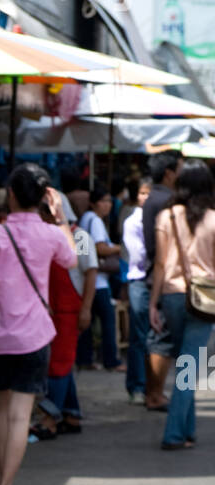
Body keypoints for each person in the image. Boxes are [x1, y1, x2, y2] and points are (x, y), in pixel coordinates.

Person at [0, 164, 77, 485]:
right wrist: (60, 217)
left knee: (1, 410)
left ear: (11, 195)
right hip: (34, 336)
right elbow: (72, 259)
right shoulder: (50, 234)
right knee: (20, 416)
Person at [149, 162, 215, 451]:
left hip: (172, 296)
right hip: (205, 298)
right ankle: (174, 434)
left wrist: (153, 303)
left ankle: (187, 431)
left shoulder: (166, 216)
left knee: (184, 364)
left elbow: (161, 264)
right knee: (189, 368)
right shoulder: (213, 219)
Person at [31, 200, 97, 437]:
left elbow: (91, 273)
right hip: (52, 310)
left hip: (70, 310)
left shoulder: (80, 237)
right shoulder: (48, 236)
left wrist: (86, 308)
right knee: (63, 363)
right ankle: (71, 414)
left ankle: (49, 419)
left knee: (58, 364)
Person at [142, 151, 180, 411]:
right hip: (187, 288)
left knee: (163, 340)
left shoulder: (157, 202)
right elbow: (159, 257)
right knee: (188, 345)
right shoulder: (168, 206)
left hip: (169, 286)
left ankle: (162, 396)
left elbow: (157, 258)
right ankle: (175, 398)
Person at [75, 186, 124, 372]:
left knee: (88, 322)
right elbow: (100, 248)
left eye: (110, 201)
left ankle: (84, 359)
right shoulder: (94, 221)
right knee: (107, 320)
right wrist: (118, 248)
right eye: (105, 201)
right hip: (98, 280)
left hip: (86, 277)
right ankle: (111, 360)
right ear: (95, 203)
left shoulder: (85, 219)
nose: (109, 205)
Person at [122, 175, 153, 404]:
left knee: (151, 338)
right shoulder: (133, 222)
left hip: (157, 282)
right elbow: (138, 256)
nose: (145, 197)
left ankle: (150, 386)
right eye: (142, 193)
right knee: (140, 337)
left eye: (148, 193)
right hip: (141, 281)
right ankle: (138, 386)